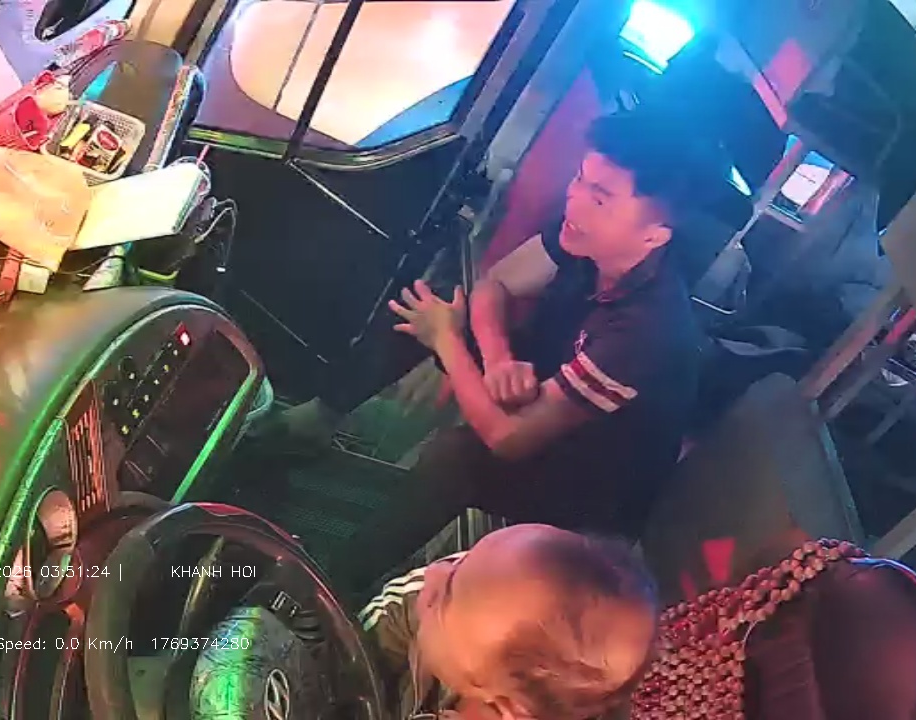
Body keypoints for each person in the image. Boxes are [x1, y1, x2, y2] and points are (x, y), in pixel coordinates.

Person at [264, 110, 723, 592]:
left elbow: (508, 438)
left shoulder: (645, 333)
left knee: (459, 455)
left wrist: (447, 341)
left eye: (600, 198)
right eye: (580, 180)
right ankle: (314, 422)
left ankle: (324, 586)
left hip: (589, 490)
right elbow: (495, 284)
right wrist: (498, 356)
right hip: (543, 385)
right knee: (429, 305)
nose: (576, 200)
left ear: (654, 235)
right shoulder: (583, 236)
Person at [360, 524, 658, 720]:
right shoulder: (485, 585)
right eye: (464, 561)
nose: (434, 572)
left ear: (509, 706)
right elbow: (368, 640)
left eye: (443, 596)